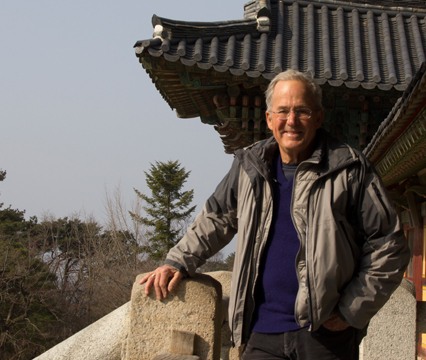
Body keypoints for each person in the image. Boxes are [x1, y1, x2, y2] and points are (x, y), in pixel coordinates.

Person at [140, 69, 410, 360]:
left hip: (325, 337)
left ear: (318, 117)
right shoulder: (250, 167)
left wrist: (350, 310)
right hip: (261, 334)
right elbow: (216, 217)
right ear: (269, 118)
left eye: (302, 111)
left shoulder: (349, 169)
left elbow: (389, 245)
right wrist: (178, 260)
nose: (291, 121)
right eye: (282, 111)